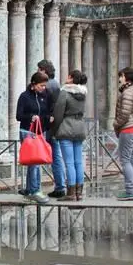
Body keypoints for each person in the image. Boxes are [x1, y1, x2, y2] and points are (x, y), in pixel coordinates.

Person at [51, 70, 88, 201]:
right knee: (78, 162)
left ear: (71, 79)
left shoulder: (64, 92)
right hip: (79, 127)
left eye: (68, 76)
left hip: (66, 127)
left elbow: (58, 114)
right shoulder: (83, 93)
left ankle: (71, 193)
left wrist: (54, 130)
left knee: (69, 163)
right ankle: (79, 192)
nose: (66, 78)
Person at [16, 71, 52, 202]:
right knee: (34, 162)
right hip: (27, 131)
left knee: (35, 161)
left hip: (39, 132)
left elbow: (45, 111)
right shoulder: (24, 96)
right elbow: (18, 116)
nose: (44, 88)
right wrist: (31, 116)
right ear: (33, 84)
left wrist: (47, 119)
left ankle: (30, 189)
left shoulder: (43, 96)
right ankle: (35, 190)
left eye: (44, 85)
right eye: (41, 85)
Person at [38, 59, 66, 198]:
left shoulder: (48, 86)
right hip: (54, 125)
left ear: (44, 70)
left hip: (50, 126)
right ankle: (60, 186)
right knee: (56, 156)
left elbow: (47, 106)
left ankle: (59, 187)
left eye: (39, 70)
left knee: (53, 156)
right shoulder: (56, 84)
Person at [114, 67, 133, 200]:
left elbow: (125, 114)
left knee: (126, 160)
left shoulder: (127, 93)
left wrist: (116, 124)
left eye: (121, 76)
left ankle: (131, 191)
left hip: (128, 129)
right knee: (132, 160)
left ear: (126, 78)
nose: (119, 79)